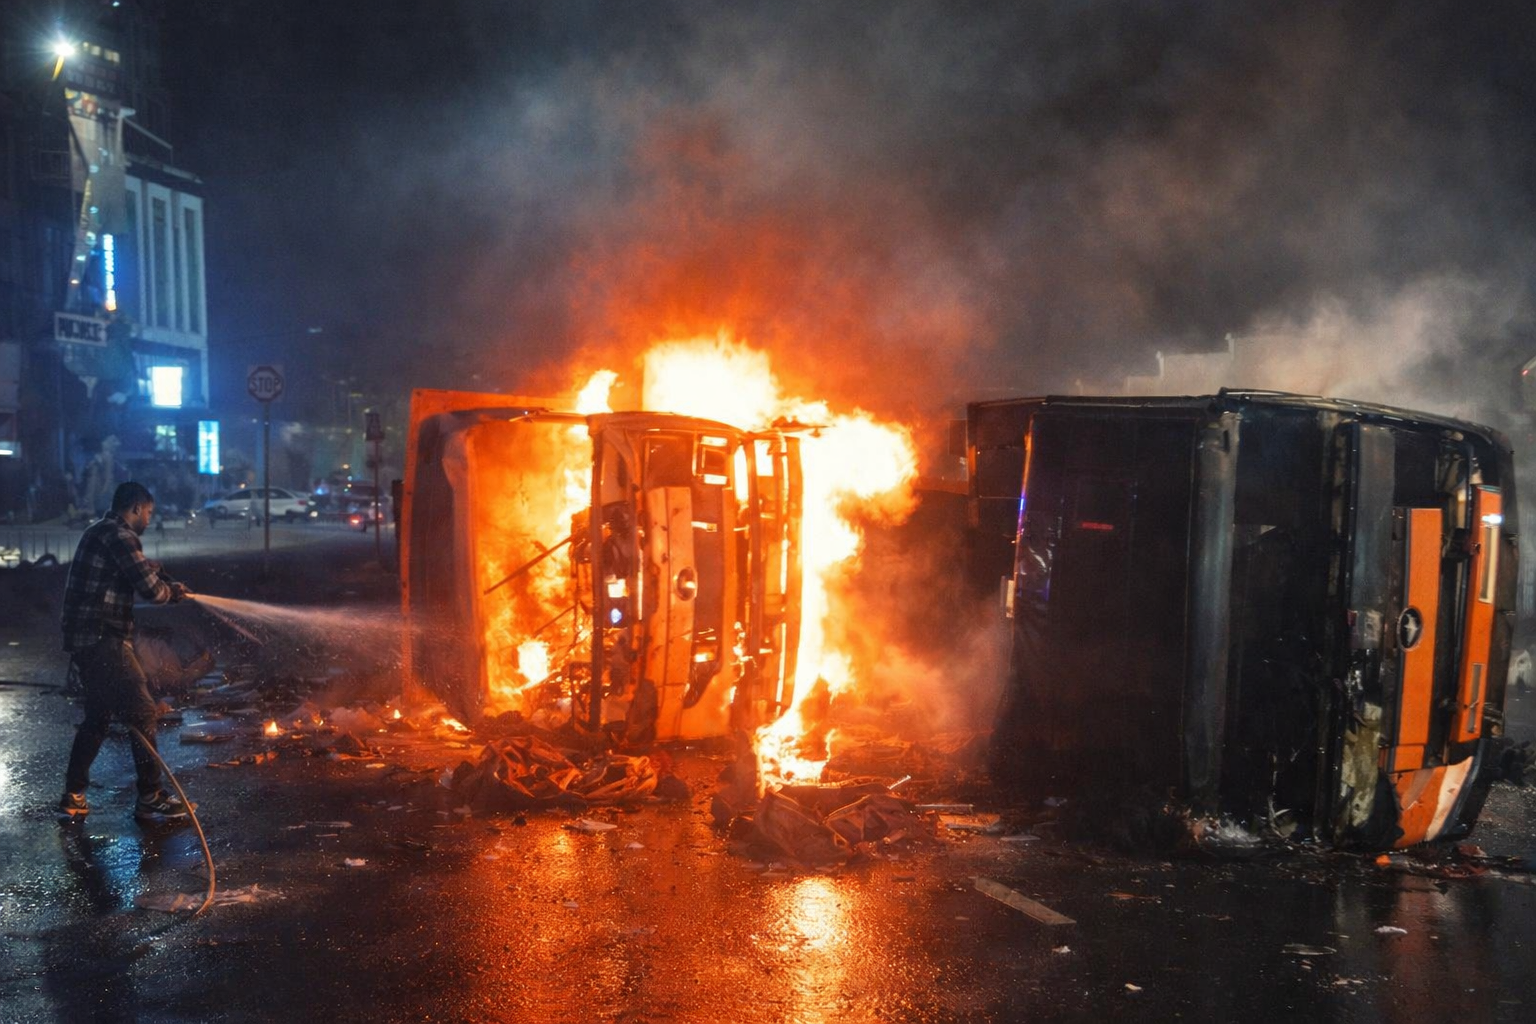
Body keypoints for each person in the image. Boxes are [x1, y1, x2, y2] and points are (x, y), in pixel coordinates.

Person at [58, 481, 193, 823]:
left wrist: (154, 572)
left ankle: (73, 796)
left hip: (85, 640)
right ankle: (150, 796)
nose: (148, 519)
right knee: (143, 709)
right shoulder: (121, 536)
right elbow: (151, 592)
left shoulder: (99, 532)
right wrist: (172, 592)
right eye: (148, 512)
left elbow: (133, 572)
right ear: (135, 508)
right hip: (104, 639)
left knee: (98, 716)